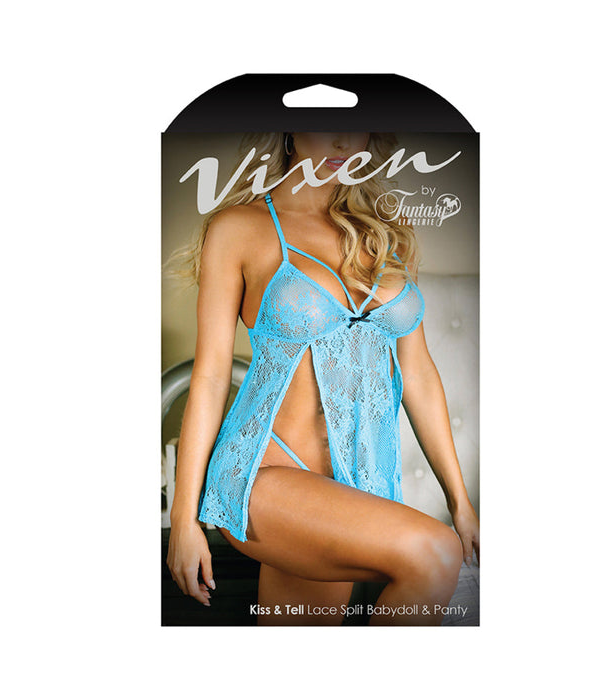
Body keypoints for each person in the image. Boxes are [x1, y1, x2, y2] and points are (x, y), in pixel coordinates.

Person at [166, 132, 480, 626]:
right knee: (436, 553)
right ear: (290, 130)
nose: (342, 140)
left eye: (355, 126)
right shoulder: (241, 228)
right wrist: (183, 518)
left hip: (349, 485)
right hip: (264, 475)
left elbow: (418, 373)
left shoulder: (387, 233)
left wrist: (460, 502)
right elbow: (209, 377)